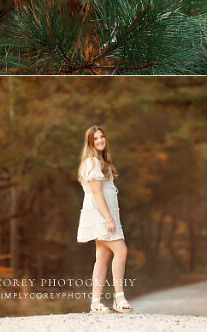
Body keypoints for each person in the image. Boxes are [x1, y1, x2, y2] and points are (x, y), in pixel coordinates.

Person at [76, 126, 133, 314]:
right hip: (100, 215)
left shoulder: (100, 161)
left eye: (102, 137)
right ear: (90, 143)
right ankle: (119, 297)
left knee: (102, 257)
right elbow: (97, 194)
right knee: (121, 250)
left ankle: (95, 302)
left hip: (106, 215)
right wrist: (108, 219)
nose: (100, 140)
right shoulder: (91, 162)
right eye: (96, 138)